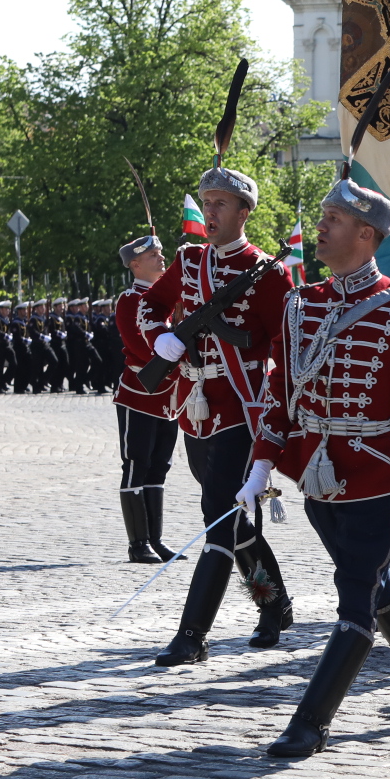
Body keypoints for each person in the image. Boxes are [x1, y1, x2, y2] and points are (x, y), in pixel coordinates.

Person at [251, 177, 390, 758]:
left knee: (355, 597)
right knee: (377, 584)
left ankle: (311, 721)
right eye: (322, 216)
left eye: (334, 219)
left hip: (376, 475)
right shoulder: (300, 303)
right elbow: (281, 393)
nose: (321, 227)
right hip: (318, 477)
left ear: (366, 236)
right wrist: (263, 464)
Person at [140, 164, 296, 666]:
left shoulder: (270, 273)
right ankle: (274, 604)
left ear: (244, 212)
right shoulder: (188, 261)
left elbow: (284, 349)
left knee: (216, 519)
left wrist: (273, 406)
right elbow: (147, 308)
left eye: (220, 204)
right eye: (206, 203)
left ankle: (192, 635)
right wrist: (160, 338)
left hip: (241, 407)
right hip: (196, 406)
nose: (209, 212)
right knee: (230, 519)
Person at [114, 234, 181, 564]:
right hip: (139, 394)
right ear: (135, 264)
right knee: (136, 464)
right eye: (154, 255)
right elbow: (139, 346)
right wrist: (173, 356)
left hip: (168, 396)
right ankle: (137, 543)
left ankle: (155, 539)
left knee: (159, 467)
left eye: (161, 252)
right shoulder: (130, 300)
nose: (161, 258)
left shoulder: (170, 301)